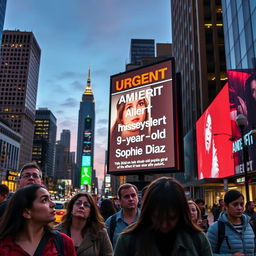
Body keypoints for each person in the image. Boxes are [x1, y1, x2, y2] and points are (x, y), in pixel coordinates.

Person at [114, 177, 212, 256]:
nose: (164, 224)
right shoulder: (127, 240)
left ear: (181, 212)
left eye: (171, 217)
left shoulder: (198, 239)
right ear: (148, 212)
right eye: (158, 217)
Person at [0, 184, 76, 255]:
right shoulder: (4, 246)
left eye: (50, 199)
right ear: (27, 212)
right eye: (44, 200)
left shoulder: (63, 242)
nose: (53, 204)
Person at [207, 190, 255, 255]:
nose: (239, 208)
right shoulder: (216, 228)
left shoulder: (250, 226)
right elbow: (207, 253)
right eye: (235, 204)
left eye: (241, 204)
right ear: (226, 205)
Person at [105, 183, 140, 249]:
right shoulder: (110, 222)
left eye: (133, 195)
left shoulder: (147, 219)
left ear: (137, 198)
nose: (131, 199)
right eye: (126, 196)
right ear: (120, 201)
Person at [200, 112, 219, 179]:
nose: (208, 134)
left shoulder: (215, 163)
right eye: (206, 127)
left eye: (210, 129)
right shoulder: (201, 171)